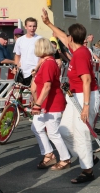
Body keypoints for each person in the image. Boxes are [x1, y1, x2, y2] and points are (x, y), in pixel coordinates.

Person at [41, 8, 100, 184]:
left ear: (72, 38)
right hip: (75, 95)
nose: (65, 37)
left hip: (85, 96)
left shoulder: (81, 54)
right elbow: (61, 36)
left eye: (67, 36)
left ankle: (87, 170)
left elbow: (88, 80)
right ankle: (87, 156)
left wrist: (86, 106)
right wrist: (48, 23)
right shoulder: (76, 49)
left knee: (81, 132)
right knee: (64, 130)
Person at [30, 38, 71, 170]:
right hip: (46, 102)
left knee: (53, 132)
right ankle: (48, 154)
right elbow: (35, 83)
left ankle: (65, 158)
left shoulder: (48, 64)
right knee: (36, 127)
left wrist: (37, 104)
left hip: (52, 103)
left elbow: (47, 86)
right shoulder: (45, 62)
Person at [14, 17, 42, 86]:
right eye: (30, 26)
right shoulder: (19, 40)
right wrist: (16, 67)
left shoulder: (40, 39)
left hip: (35, 71)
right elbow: (17, 55)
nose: (32, 28)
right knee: (19, 93)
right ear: (25, 27)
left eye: (34, 26)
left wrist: (37, 68)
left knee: (34, 92)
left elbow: (43, 56)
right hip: (22, 71)